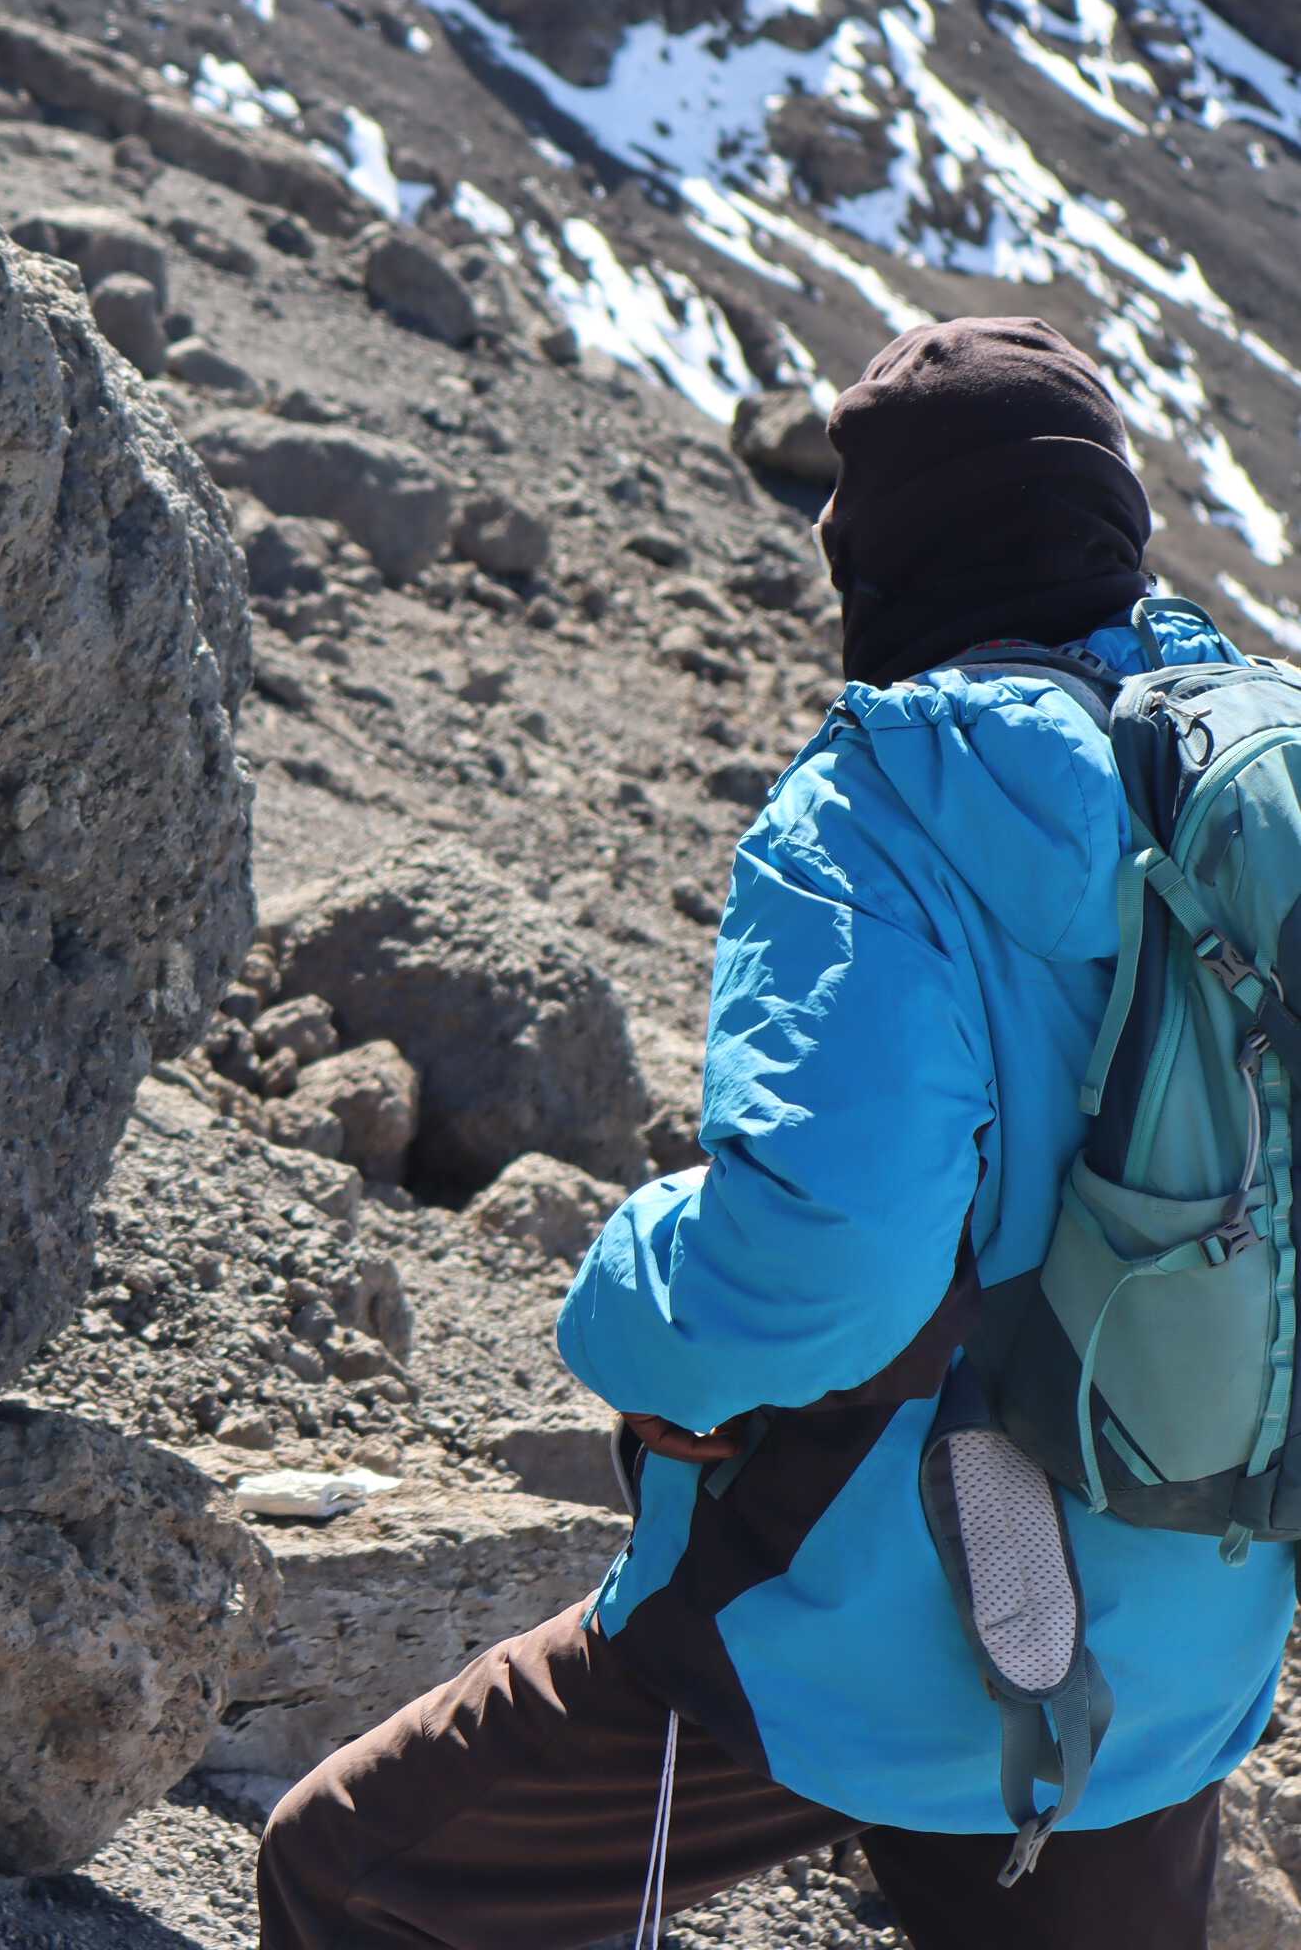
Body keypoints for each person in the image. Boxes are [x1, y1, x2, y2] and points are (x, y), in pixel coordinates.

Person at [255, 319, 1297, 1947]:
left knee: (355, 1880)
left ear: (875, 556)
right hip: (1184, 1634)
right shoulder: (1259, 790)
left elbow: (826, 1261)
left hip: (864, 1618)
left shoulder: (886, 807)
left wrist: (618, 1304)